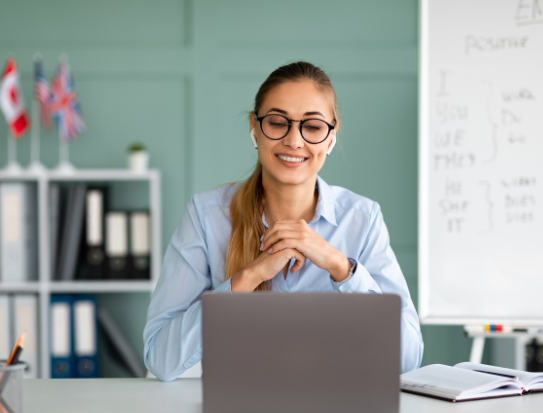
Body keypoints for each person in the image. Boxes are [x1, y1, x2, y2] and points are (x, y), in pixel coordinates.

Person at [143, 61, 423, 381]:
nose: (294, 141)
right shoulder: (206, 216)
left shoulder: (362, 219)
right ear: (254, 127)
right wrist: (247, 278)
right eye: (277, 122)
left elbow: (408, 357)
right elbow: (159, 358)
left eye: (313, 127)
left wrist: (340, 267)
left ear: (331, 137)